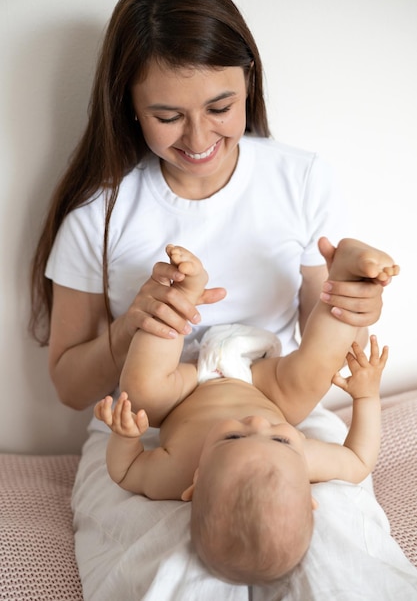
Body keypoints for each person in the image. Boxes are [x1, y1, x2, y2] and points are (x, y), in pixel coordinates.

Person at [28, 0, 417, 599]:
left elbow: (318, 334)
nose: (199, 137)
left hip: (272, 389)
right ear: (127, 104)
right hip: (155, 409)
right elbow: (72, 385)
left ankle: (353, 266)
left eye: (220, 106)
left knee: (345, 559)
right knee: (166, 573)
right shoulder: (97, 217)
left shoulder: (299, 177)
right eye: (167, 115)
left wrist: (352, 306)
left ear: (248, 84)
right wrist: (139, 325)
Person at [94, 239, 397, 584]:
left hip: (188, 386)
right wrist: (366, 397)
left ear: (194, 484)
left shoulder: (175, 472)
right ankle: (347, 280)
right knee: (316, 372)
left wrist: (125, 436)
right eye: (282, 440)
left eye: (234, 437)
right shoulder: (302, 461)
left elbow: (126, 470)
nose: (257, 422)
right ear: (308, 495)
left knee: (142, 394)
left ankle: (181, 299)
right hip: (264, 382)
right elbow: (358, 461)